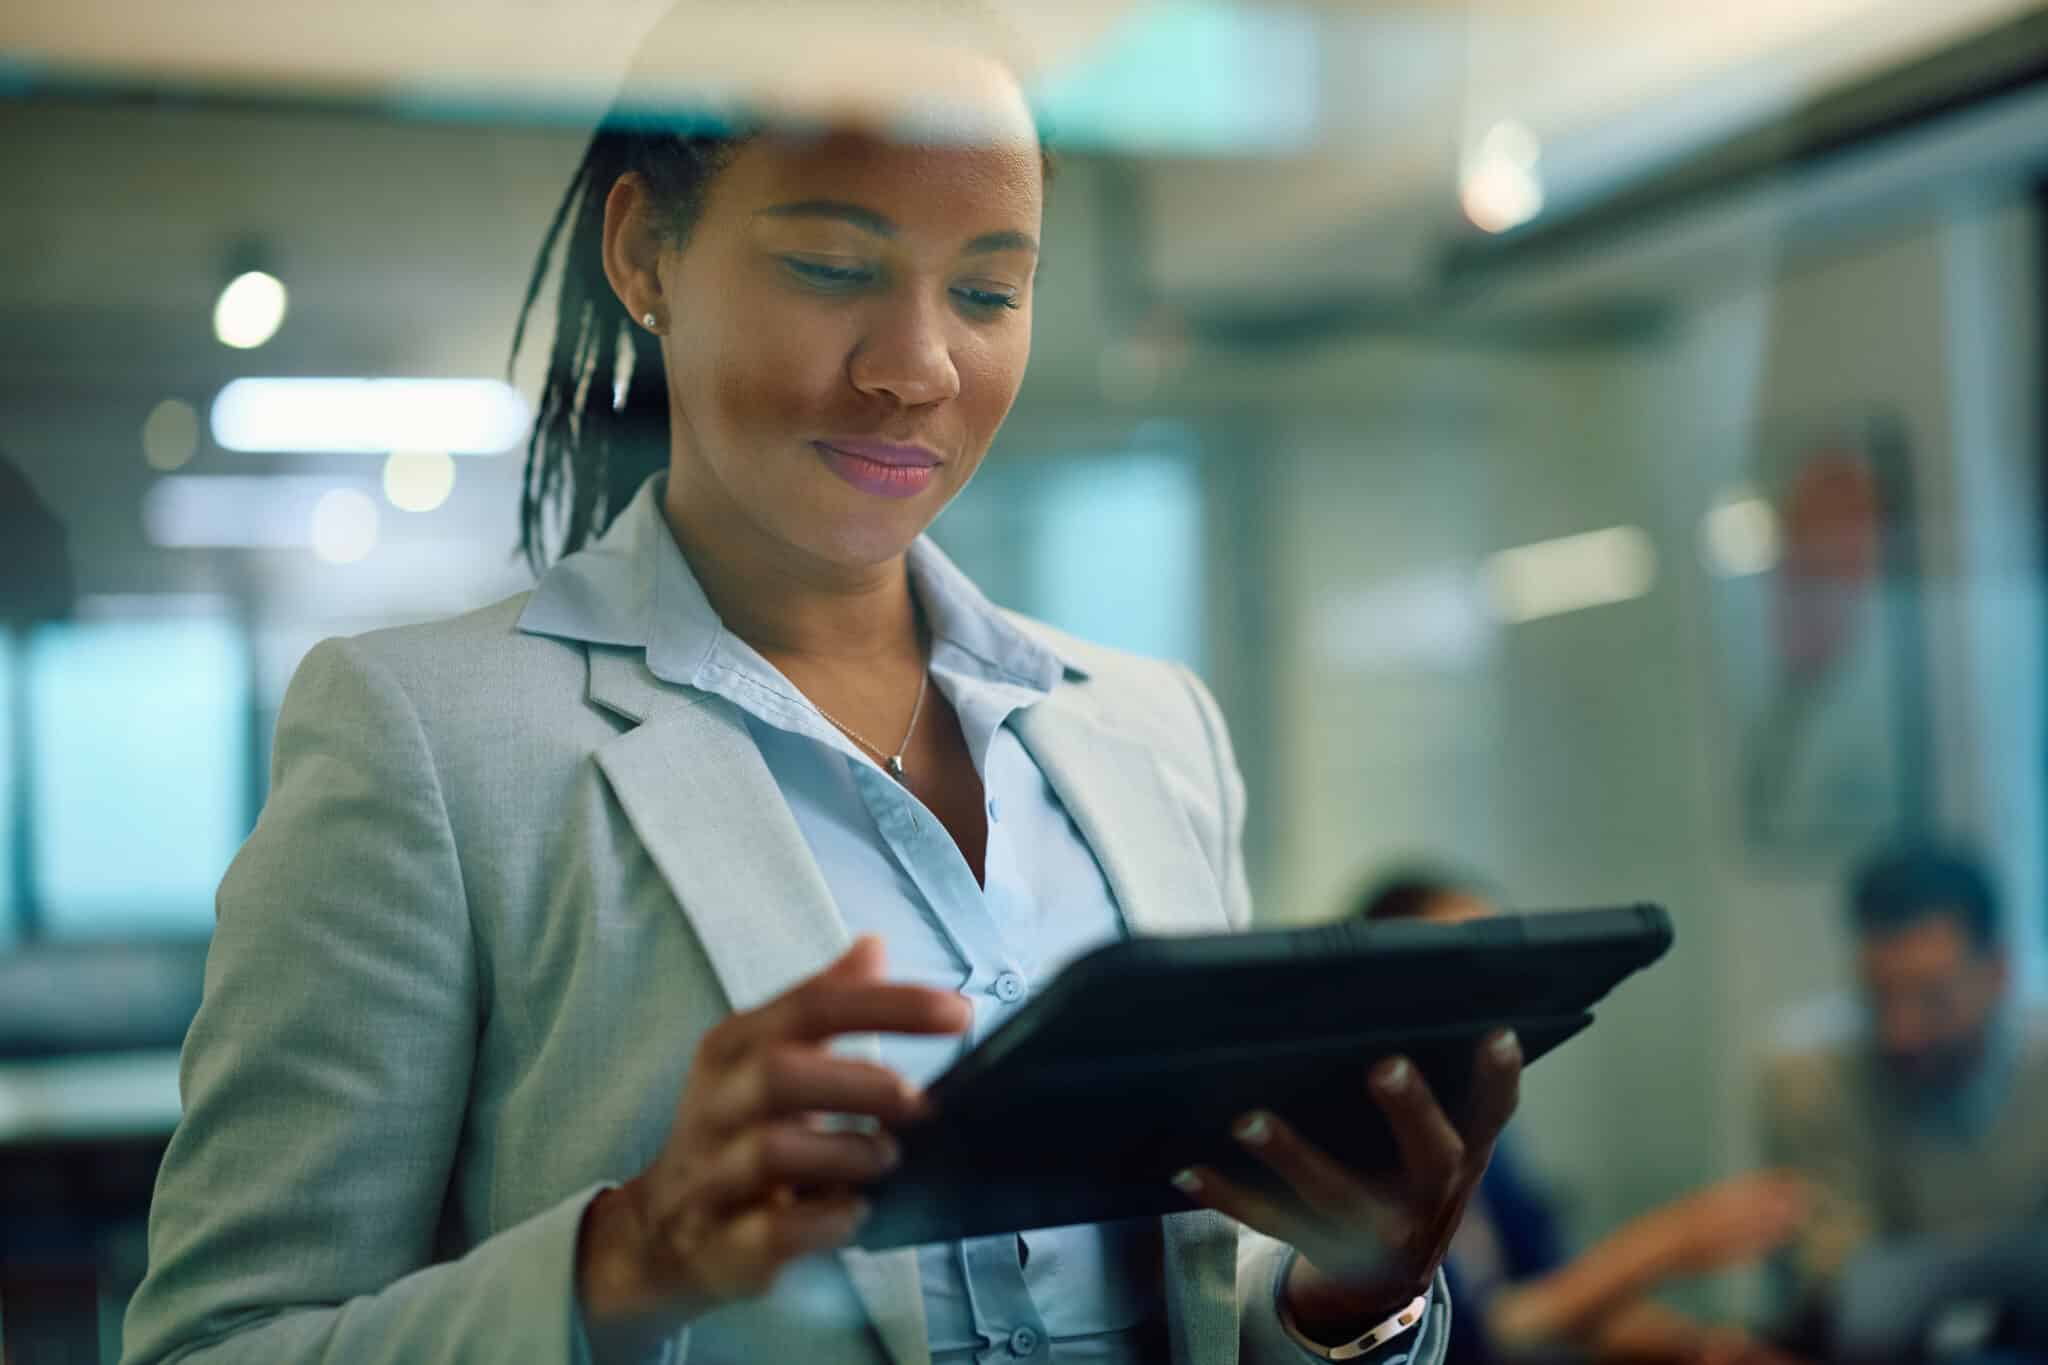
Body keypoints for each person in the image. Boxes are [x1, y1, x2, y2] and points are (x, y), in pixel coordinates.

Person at [120, 8, 1521, 1363]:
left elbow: (1212, 1296)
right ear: (645, 252)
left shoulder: (1149, 729)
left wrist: (1352, 1306)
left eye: (987, 291)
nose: (917, 367)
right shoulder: (432, 740)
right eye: (835, 270)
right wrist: (622, 1263)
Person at [1357, 873, 1811, 1365]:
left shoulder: (1480, 1123)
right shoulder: (1358, 1145)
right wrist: (1669, 1243)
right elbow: (1480, 1334)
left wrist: (1703, 1348)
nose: (1492, 993)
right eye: (1463, 971)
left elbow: (1559, 1299)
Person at [1760, 843, 2048, 1332]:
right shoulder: (1807, 1076)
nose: (1903, 1031)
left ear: (1998, 972)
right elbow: (1838, 1283)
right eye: (1879, 997)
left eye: (1933, 998)